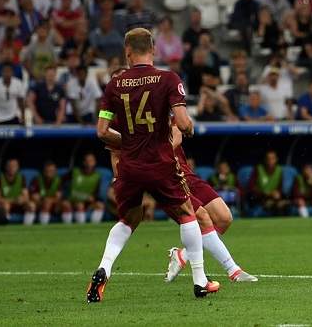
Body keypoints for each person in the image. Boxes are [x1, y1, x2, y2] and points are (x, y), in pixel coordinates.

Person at [89, 28, 218, 302]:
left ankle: (104, 267)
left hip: (130, 165)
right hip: (160, 162)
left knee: (128, 219)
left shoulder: (114, 85)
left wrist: (128, 143)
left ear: (127, 52)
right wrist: (190, 127)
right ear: (153, 50)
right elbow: (182, 122)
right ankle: (200, 281)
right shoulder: (168, 78)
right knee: (186, 214)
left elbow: (101, 131)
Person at [164, 125, 258, 283]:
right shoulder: (137, 118)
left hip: (186, 174)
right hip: (168, 179)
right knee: (203, 218)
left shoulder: (167, 108)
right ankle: (233, 270)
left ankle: (183, 255)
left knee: (224, 218)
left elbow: (180, 132)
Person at [63, 153, 105, 224]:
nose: (89, 163)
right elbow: (62, 182)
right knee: (79, 205)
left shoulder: (97, 176)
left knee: (100, 205)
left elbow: (96, 192)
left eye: (91, 161)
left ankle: (94, 226)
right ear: (84, 162)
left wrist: (93, 198)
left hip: (88, 202)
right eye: (88, 161)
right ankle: (74, 227)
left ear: (95, 162)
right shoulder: (75, 172)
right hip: (73, 201)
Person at [0, 159, 36, 225]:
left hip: (19, 204)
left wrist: (22, 199)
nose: (12, 168)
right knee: (6, 206)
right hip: (5, 203)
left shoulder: (21, 177)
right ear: (6, 167)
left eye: (14, 166)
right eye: (10, 166)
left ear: (17, 167)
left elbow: (26, 196)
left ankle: (27, 227)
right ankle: (6, 226)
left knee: (31, 205)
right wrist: (13, 200)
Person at [248, 150, 288, 216]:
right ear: (265, 160)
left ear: (276, 159)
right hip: (259, 200)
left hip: (273, 200)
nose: (270, 161)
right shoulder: (258, 169)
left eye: (273, 158)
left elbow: (280, 188)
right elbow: (251, 187)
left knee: (281, 206)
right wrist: (266, 194)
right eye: (268, 158)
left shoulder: (279, 170)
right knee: (255, 213)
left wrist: (277, 193)